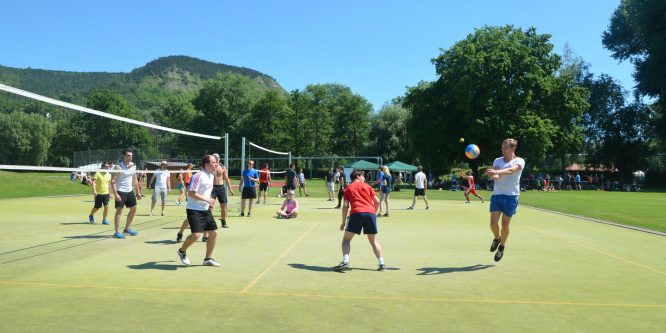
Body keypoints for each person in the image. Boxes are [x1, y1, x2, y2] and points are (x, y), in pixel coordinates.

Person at [334, 170, 385, 272]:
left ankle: (345, 261)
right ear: (357, 176)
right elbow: (378, 202)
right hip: (370, 214)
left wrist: (343, 222)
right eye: (363, 176)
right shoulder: (367, 186)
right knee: (373, 241)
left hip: (356, 213)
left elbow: (345, 206)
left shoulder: (348, 189)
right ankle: (381, 264)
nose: (364, 178)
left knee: (346, 240)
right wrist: (372, 213)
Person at [176, 155, 221, 267]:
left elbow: (206, 192)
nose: (216, 164)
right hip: (194, 209)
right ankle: (182, 251)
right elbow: (191, 193)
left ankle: (207, 259)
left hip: (205, 209)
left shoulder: (211, 176)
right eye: (214, 162)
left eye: (217, 162)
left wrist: (209, 203)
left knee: (214, 233)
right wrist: (207, 200)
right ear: (207, 164)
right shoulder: (198, 176)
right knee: (196, 235)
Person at [486, 138, 525, 262]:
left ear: (513, 149)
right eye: (502, 147)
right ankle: (497, 238)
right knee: (493, 223)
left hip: (511, 196)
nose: (503, 149)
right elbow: (497, 176)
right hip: (497, 194)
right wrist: (493, 175)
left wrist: (497, 171)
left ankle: (502, 247)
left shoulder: (519, 161)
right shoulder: (497, 160)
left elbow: (510, 170)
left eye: (505, 147)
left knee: (505, 225)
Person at [110, 149, 143, 239]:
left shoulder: (133, 166)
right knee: (119, 211)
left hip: (129, 191)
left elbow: (135, 180)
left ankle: (126, 229)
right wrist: (115, 194)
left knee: (134, 209)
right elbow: (112, 181)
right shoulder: (118, 167)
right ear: (123, 156)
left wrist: (138, 192)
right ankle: (116, 232)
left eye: (131, 155)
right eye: (128, 155)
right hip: (120, 191)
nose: (130, 157)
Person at [211, 153, 234, 229]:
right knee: (210, 206)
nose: (217, 158)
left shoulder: (223, 167)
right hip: (212, 188)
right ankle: (208, 223)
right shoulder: (210, 167)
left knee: (223, 205)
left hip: (221, 187)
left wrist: (230, 189)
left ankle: (223, 222)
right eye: (215, 157)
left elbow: (226, 178)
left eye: (218, 157)